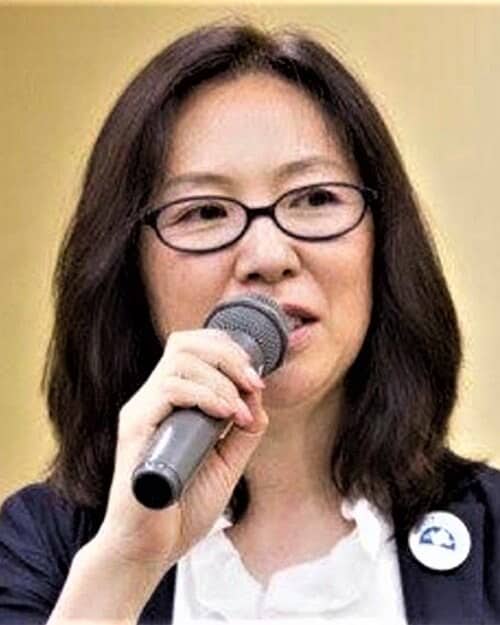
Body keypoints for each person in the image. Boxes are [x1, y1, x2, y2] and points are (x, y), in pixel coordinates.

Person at [0, 20, 499, 625]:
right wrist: (127, 563)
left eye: (315, 198)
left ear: (383, 241)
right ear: (129, 268)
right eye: (205, 211)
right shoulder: (38, 545)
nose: (267, 256)